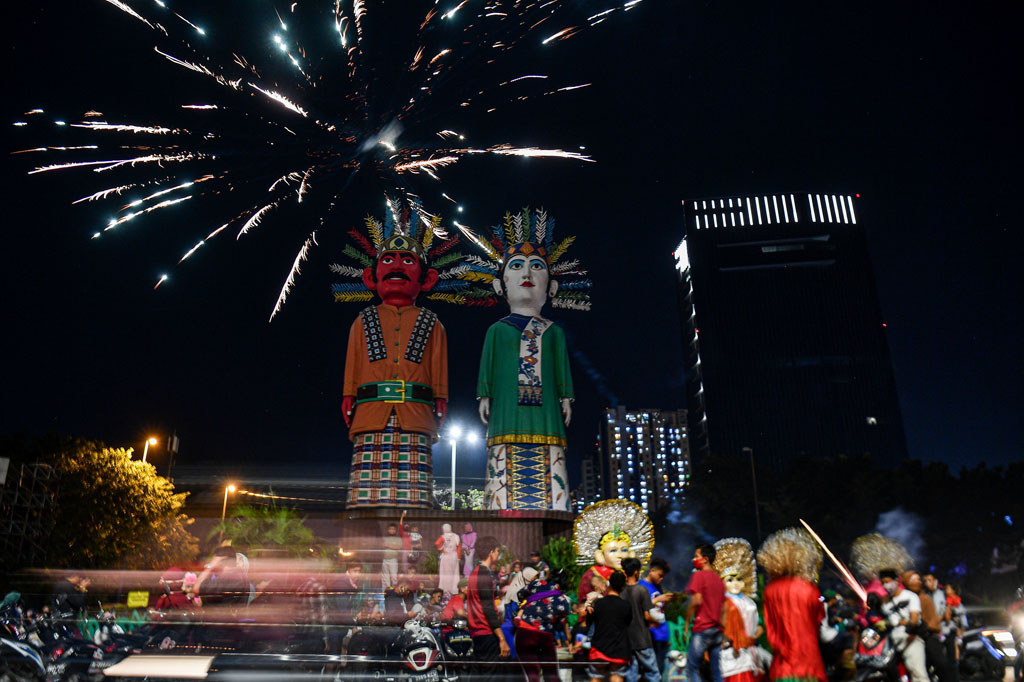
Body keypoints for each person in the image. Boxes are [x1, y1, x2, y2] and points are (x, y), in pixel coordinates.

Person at [476, 209, 590, 512]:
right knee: (502, 453)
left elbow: (561, 368)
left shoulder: (554, 333)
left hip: (547, 410)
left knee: (551, 452)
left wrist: (566, 396)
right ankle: (501, 506)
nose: (526, 275)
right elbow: (487, 365)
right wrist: (484, 394)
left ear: (551, 287)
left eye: (536, 267)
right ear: (500, 286)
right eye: (516, 267)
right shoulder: (497, 331)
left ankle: (555, 505)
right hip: (505, 407)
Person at [340, 224, 449, 509]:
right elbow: (353, 363)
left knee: (413, 498)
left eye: (408, 260)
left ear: (427, 279)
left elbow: (438, 367)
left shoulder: (433, 323)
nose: (397, 265)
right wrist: (348, 395)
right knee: (366, 497)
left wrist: (441, 398)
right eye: (388, 260)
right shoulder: (363, 320)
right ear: (370, 277)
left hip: (416, 413)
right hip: (370, 412)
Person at [757, 528, 827, 682]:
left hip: (783, 663)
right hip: (809, 662)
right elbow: (820, 621)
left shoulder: (770, 591)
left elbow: (770, 626)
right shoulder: (809, 589)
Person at [573, 500, 654, 603]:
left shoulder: (631, 575)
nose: (619, 555)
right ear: (600, 555)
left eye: (624, 550)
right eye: (613, 550)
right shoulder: (592, 575)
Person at [711, 540, 768, 682]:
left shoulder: (749, 602)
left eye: (738, 579)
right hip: (731, 651)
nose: (735, 583)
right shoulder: (722, 602)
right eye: (730, 580)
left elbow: (758, 623)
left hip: (750, 649)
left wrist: (757, 631)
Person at [514, 564, 572, 682]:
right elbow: (561, 624)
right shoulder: (563, 601)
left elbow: (520, 594)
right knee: (551, 674)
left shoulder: (537, 583)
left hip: (524, 632)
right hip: (544, 635)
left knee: (532, 675)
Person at [468, 536, 513, 680]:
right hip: (487, 633)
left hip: (477, 633)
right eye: (497, 551)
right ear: (491, 552)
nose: (498, 555)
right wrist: (501, 638)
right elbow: (487, 608)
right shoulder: (485, 574)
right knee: (491, 676)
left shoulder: (474, 573)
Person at [685, 543, 726, 682]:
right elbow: (724, 607)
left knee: (692, 667)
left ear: (705, 559)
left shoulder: (699, 576)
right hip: (717, 629)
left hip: (703, 628)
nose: (694, 559)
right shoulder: (719, 580)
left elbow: (696, 601)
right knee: (716, 671)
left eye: (696, 556)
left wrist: (686, 622)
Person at [906, 571, 957, 682]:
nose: (920, 582)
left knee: (944, 664)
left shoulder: (931, 597)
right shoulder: (907, 598)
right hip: (913, 637)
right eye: (924, 580)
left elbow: (938, 617)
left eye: (919, 580)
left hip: (936, 633)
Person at [879, 568, 928, 682]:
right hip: (894, 645)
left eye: (887, 582)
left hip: (911, 641)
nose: (885, 585)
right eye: (883, 583)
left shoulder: (910, 596)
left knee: (918, 675)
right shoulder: (884, 602)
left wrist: (900, 622)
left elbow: (914, 620)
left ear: (896, 581)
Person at [621, 557, 663, 682]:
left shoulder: (621, 592)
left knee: (631, 674)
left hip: (628, 640)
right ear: (636, 572)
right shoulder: (641, 590)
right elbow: (646, 615)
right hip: (642, 639)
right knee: (653, 673)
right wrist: (656, 622)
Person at [588, 570, 634, 682]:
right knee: (617, 676)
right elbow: (628, 623)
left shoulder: (598, 604)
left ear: (609, 584)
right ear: (623, 587)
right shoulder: (626, 606)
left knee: (596, 676)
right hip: (619, 649)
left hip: (599, 648)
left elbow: (590, 622)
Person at [639, 558, 674, 675]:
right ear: (652, 571)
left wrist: (666, 602)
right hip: (651, 634)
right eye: (660, 575)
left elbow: (660, 610)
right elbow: (638, 607)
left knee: (660, 669)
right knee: (650, 671)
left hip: (662, 633)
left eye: (663, 576)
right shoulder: (641, 586)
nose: (661, 579)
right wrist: (658, 599)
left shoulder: (658, 587)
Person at [437, 523, 463, 595]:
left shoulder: (443, 536)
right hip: (454, 556)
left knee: (446, 574)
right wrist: (458, 558)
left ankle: (446, 590)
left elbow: (437, 543)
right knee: (454, 574)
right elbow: (459, 547)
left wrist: (442, 549)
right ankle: (454, 590)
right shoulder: (456, 536)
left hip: (446, 556)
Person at [382, 520, 403, 589]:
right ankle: (386, 591)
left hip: (393, 560)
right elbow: (381, 545)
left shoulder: (398, 539)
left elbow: (399, 547)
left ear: (395, 531)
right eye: (390, 529)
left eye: (393, 529)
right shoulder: (384, 538)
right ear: (388, 530)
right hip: (385, 559)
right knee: (385, 577)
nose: (392, 530)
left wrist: (388, 546)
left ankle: (395, 591)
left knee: (394, 577)